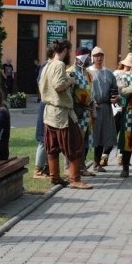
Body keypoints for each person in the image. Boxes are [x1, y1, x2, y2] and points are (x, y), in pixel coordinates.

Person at [38, 39, 93, 189]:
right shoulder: (59, 64)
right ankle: (74, 179)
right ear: (64, 50)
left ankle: (55, 177)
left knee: (53, 146)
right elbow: (59, 86)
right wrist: (71, 81)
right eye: (69, 50)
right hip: (61, 113)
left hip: (49, 112)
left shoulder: (46, 65)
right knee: (75, 145)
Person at [87, 46, 119, 173]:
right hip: (91, 108)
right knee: (90, 136)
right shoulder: (88, 72)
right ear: (92, 57)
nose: (99, 58)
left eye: (100, 55)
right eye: (96, 56)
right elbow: (83, 90)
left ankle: (96, 162)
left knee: (103, 136)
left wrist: (116, 98)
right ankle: (82, 166)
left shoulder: (109, 73)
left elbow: (115, 90)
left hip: (106, 107)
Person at [67, 46, 95, 176]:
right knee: (74, 141)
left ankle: (82, 167)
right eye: (88, 56)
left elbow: (91, 91)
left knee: (85, 141)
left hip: (87, 113)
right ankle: (71, 168)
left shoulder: (88, 73)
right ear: (81, 58)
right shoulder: (71, 72)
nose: (90, 59)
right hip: (77, 112)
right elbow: (69, 94)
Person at [33, 48, 53, 179]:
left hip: (47, 104)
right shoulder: (47, 67)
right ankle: (38, 170)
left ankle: (46, 168)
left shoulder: (47, 66)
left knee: (48, 140)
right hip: (45, 105)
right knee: (43, 140)